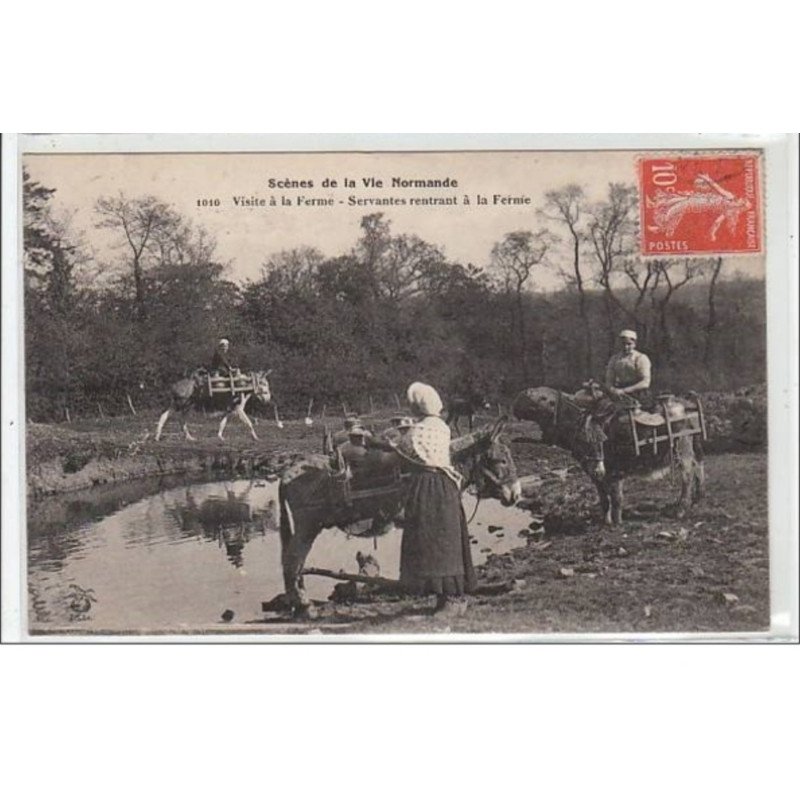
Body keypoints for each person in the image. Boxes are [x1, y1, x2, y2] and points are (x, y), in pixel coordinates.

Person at [393, 381, 476, 615]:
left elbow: (404, 452)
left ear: (417, 406)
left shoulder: (417, 431)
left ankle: (447, 599)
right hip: (446, 486)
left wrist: (384, 445)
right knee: (447, 538)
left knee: (427, 538)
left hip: (426, 487)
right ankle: (450, 597)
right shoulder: (442, 427)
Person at [603, 330, 653, 406]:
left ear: (634, 344)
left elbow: (645, 382)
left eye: (629, 344)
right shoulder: (614, 359)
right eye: (623, 344)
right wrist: (612, 390)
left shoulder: (640, 358)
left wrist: (624, 391)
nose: (626, 347)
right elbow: (609, 380)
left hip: (638, 393)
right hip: (619, 392)